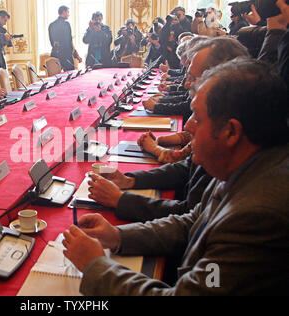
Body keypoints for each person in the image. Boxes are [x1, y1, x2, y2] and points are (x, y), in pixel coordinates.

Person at [63, 58, 289, 295]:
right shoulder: (247, 166)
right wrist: (117, 235)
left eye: (197, 119)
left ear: (231, 131)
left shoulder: (258, 214)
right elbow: (191, 223)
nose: (188, 127)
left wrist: (95, 266)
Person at [49, 6, 82, 71]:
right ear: (63, 12)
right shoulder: (66, 24)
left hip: (55, 55)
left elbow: (51, 42)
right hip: (66, 55)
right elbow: (69, 42)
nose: (68, 14)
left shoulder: (51, 25)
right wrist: (76, 55)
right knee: (70, 77)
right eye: (68, 12)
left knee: (56, 78)